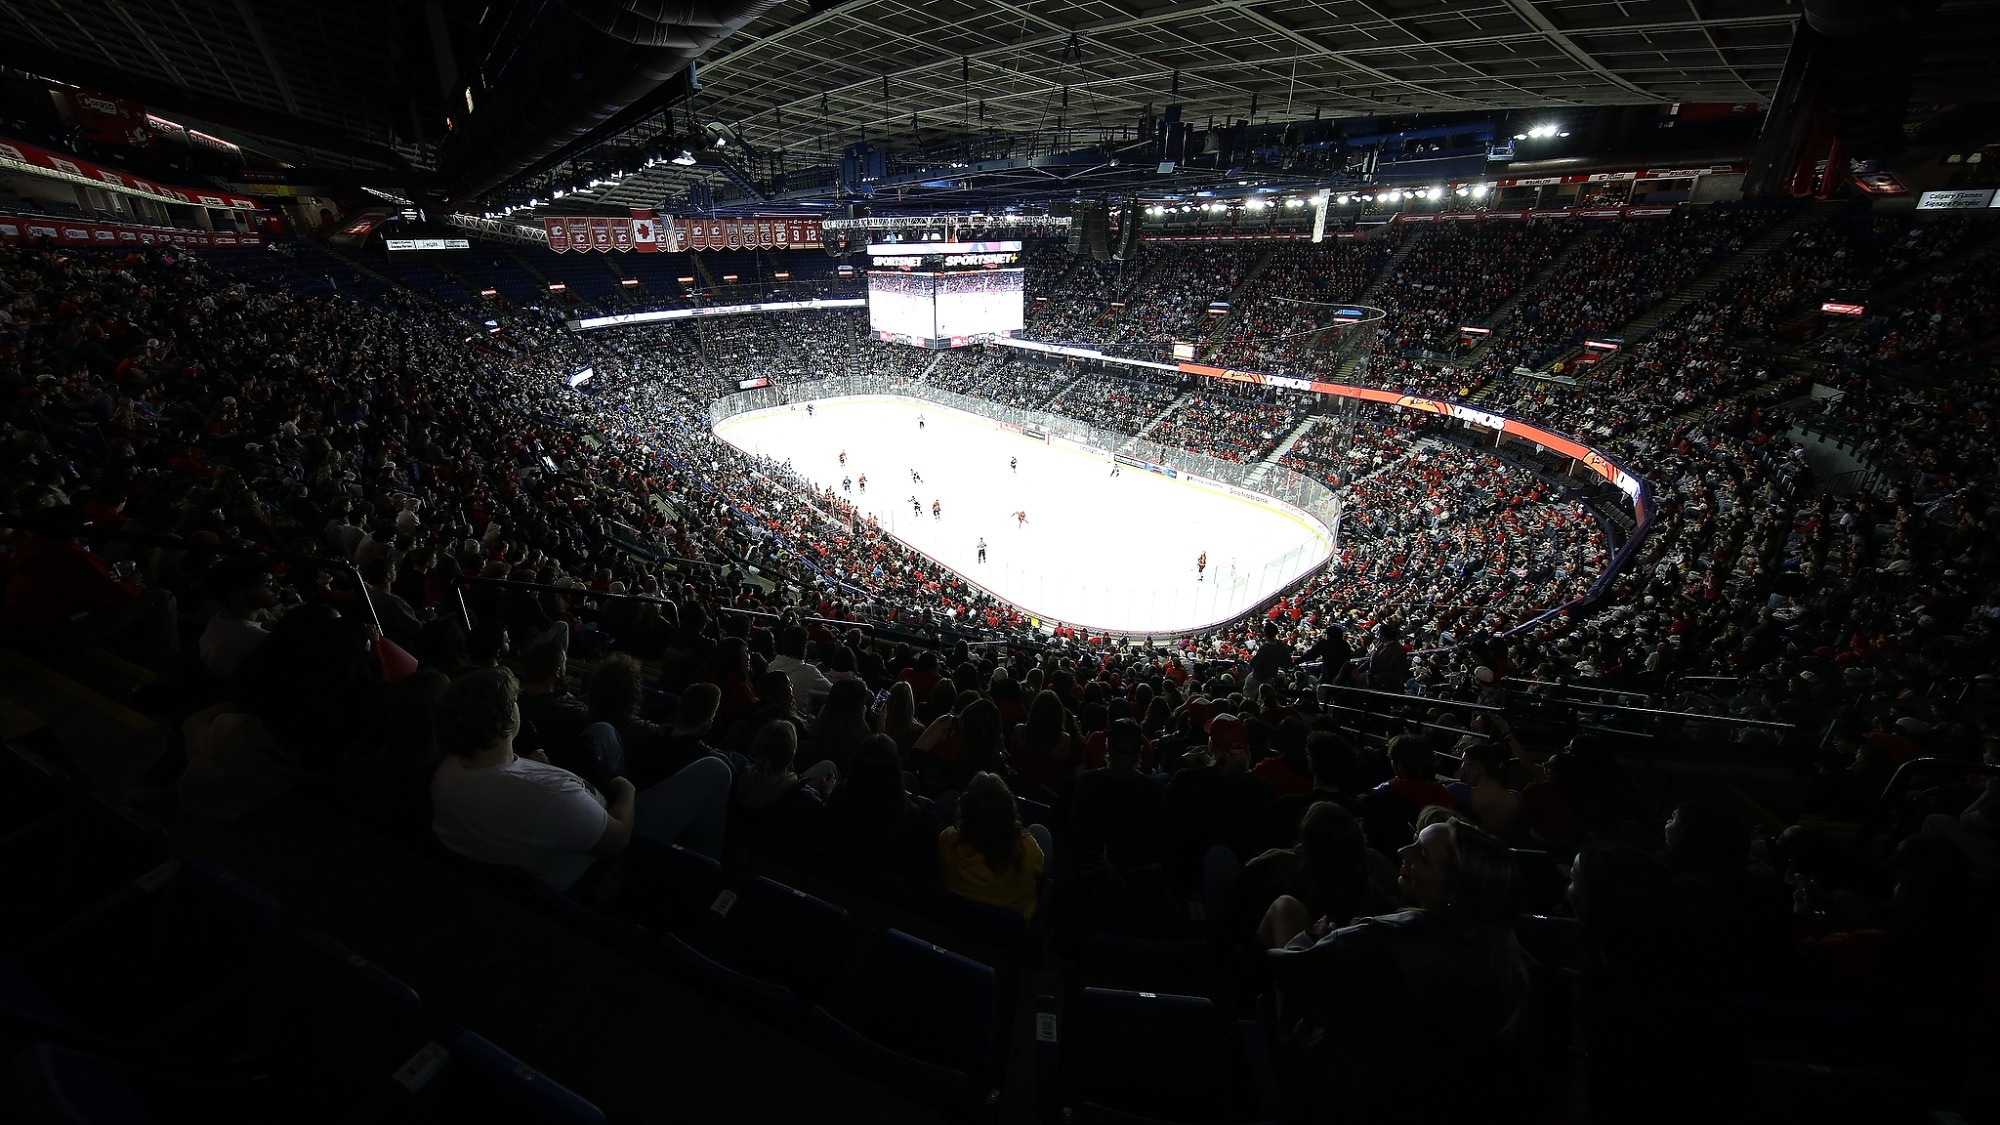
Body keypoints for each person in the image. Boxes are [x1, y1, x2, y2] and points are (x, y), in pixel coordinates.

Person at [1260, 812, 1530, 1121]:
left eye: (1422, 855)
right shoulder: (1512, 963)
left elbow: (1289, 970)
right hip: (1437, 1100)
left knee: (1284, 910)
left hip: (1344, 1094)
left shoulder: (1384, 940)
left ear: (1456, 893)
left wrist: (1312, 939)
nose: (1403, 852)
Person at [430, 668, 732, 901]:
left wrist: (532, 764)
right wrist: (627, 791)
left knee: (602, 730)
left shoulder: (448, 769)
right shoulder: (549, 796)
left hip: (564, 824)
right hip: (605, 865)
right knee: (717, 770)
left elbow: (513, 786)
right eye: (514, 702)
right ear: (507, 722)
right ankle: (703, 879)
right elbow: (618, 841)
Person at [938, 771, 1047, 921]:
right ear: (1009, 812)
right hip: (1008, 935)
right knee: (1041, 832)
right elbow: (1040, 871)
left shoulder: (946, 841)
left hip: (954, 920)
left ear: (964, 809)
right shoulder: (1027, 849)